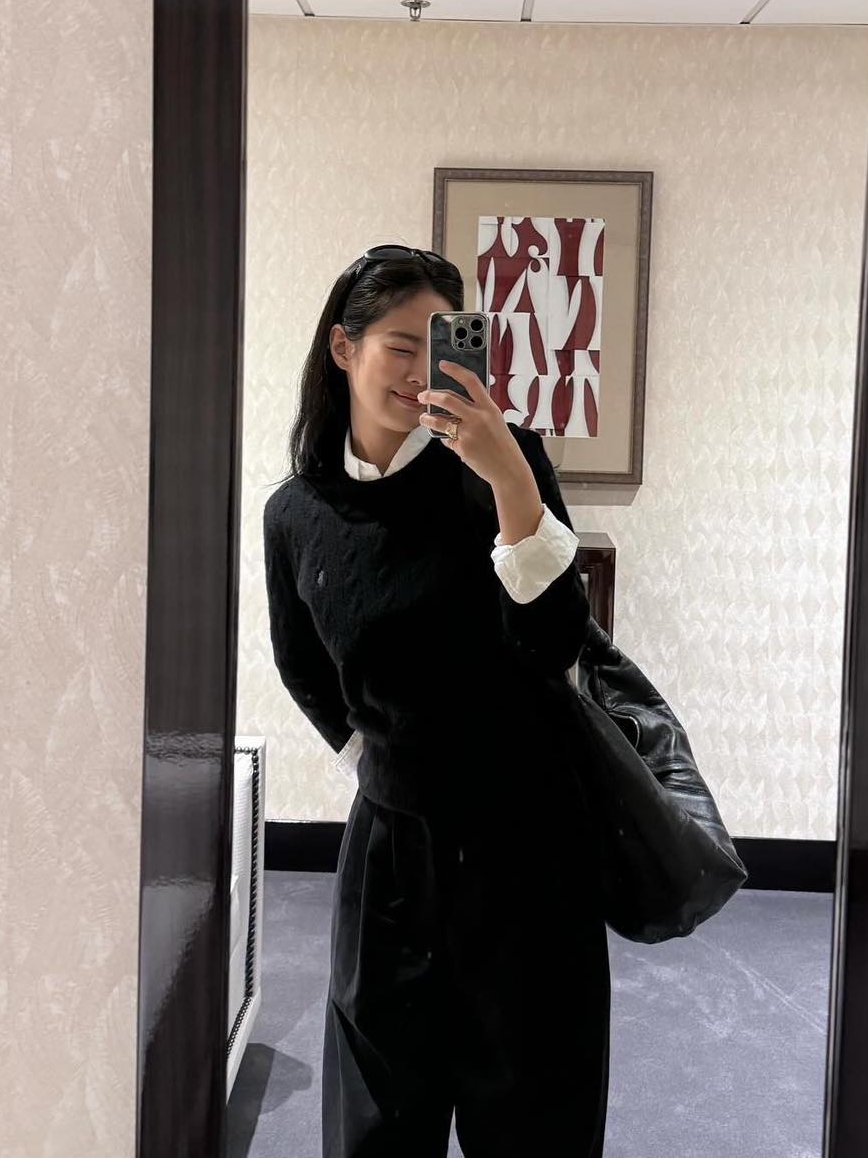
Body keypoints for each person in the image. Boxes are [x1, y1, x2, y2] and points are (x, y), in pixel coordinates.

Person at [262, 244, 611, 1158]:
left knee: (533, 1113)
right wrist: (380, 764)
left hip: (526, 843)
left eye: (443, 343)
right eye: (399, 346)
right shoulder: (296, 513)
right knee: (378, 1116)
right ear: (344, 348)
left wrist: (509, 483)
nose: (421, 371)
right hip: (388, 853)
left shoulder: (502, 464)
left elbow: (554, 642)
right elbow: (301, 666)